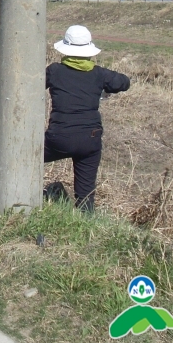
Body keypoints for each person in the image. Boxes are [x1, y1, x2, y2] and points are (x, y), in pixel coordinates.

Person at [44, 25, 130, 211]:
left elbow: (33, 84)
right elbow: (124, 82)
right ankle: (85, 219)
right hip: (90, 138)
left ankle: (24, 198)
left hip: (59, 138)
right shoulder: (99, 74)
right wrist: (104, 88)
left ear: (65, 50)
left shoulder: (55, 71)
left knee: (26, 157)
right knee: (85, 193)